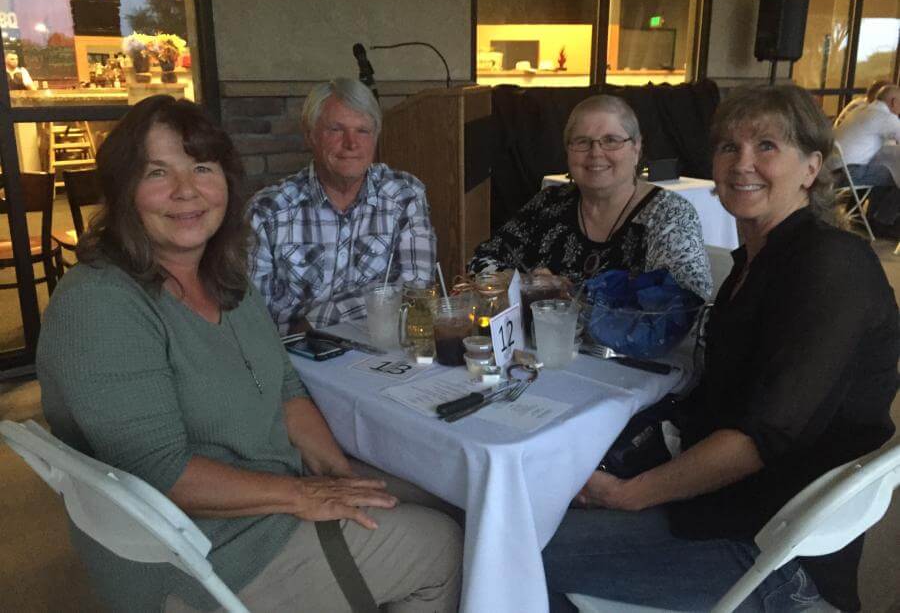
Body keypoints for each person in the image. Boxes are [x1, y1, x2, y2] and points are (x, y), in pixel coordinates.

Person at [37, 95, 461, 612]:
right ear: (123, 190)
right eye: (157, 172)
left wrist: (339, 475)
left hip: (265, 499)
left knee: (450, 500)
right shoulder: (100, 303)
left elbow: (284, 389)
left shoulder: (225, 277)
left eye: (201, 167)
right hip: (201, 556)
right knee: (444, 547)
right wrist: (303, 497)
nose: (186, 191)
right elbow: (160, 470)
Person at [542, 84, 899, 612]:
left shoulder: (831, 267)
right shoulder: (757, 263)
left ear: (811, 167)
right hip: (728, 512)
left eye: (767, 146)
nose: (742, 163)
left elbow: (766, 433)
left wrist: (631, 493)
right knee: (537, 515)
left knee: (520, 548)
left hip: (772, 559)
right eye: (729, 147)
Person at [468, 94, 712, 300]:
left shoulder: (669, 216)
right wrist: (527, 282)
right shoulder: (549, 203)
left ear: (636, 148)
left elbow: (684, 304)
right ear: (567, 151)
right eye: (582, 142)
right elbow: (480, 262)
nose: (596, 153)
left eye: (611, 141)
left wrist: (571, 293)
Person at [248, 78, 437, 334]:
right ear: (310, 136)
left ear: (376, 137)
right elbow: (251, 315)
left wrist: (319, 319)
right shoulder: (269, 211)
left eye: (363, 131)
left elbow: (417, 288)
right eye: (336, 130)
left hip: (379, 352)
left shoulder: (404, 195)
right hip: (293, 358)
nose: (351, 144)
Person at [834, 83, 900, 187]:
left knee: (886, 169)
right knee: (896, 174)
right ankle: (878, 204)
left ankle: (865, 203)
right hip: (848, 173)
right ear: (894, 102)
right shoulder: (886, 117)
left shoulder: (859, 110)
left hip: (828, 171)